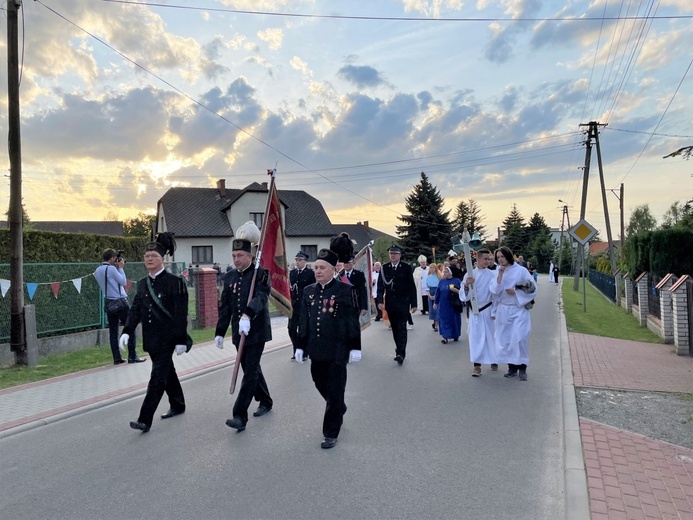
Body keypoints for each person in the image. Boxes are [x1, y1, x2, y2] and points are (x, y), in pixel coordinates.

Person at [122, 233, 189, 433]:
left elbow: (180, 314)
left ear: (162, 259)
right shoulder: (143, 284)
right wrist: (126, 331)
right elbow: (136, 310)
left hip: (168, 340)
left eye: (153, 256)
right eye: (147, 256)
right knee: (167, 372)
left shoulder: (174, 282)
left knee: (157, 377)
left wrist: (181, 340)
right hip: (151, 339)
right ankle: (178, 404)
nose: (149, 259)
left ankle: (145, 419)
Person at [295, 248, 361, 449]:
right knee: (319, 381)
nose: (318, 271)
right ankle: (338, 406)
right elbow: (304, 320)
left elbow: (352, 320)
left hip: (337, 349)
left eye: (322, 268)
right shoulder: (308, 291)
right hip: (317, 349)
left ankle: (330, 432)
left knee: (335, 389)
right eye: (316, 268)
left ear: (333, 269)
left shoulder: (344, 290)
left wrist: (355, 347)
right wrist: (300, 346)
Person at [215, 227, 273, 432]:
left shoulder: (262, 274)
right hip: (238, 333)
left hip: (256, 330)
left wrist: (248, 314)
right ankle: (266, 400)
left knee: (249, 372)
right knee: (251, 369)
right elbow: (225, 307)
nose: (236, 259)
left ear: (250, 255)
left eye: (240, 255)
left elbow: (261, 297)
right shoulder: (229, 278)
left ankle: (240, 415)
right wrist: (219, 332)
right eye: (233, 255)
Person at [490, 246, 537, 381]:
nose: (500, 259)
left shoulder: (521, 270)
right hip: (503, 310)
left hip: (519, 308)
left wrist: (516, 292)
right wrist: (499, 275)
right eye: (498, 257)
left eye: (502, 256)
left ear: (508, 256)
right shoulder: (497, 272)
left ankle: (522, 368)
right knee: (507, 340)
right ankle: (512, 367)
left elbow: (532, 288)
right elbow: (494, 291)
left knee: (520, 338)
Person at [94, 248, 145, 365]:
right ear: (112, 258)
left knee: (113, 331)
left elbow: (109, 282)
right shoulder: (111, 269)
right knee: (130, 328)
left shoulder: (98, 270)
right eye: (115, 258)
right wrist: (121, 268)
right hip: (120, 302)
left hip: (108, 302)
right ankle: (132, 356)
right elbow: (123, 282)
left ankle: (117, 358)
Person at [457, 249, 497, 376]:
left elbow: (495, 294)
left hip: (488, 308)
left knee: (491, 337)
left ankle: (493, 359)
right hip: (475, 310)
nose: (487, 261)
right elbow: (464, 296)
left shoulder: (492, 274)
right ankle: (477, 365)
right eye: (485, 259)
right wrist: (466, 285)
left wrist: (494, 311)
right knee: (475, 338)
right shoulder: (470, 274)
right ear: (478, 259)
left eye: (489, 259)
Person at [377, 245, 418, 365]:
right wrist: (379, 301)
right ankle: (398, 348)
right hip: (390, 303)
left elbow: (411, 286)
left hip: (403, 303)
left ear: (400, 255)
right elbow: (380, 286)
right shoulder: (384, 268)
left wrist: (414, 303)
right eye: (391, 253)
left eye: (395, 253)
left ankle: (401, 353)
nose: (392, 255)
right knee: (395, 328)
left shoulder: (405, 267)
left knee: (402, 328)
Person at [288, 251, 316, 360]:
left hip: (305, 305)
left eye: (300, 260)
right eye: (296, 260)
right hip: (294, 305)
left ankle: (304, 352)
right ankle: (296, 349)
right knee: (291, 328)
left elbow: (313, 288)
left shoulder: (310, 273)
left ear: (305, 261)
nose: (298, 262)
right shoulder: (293, 273)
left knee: (303, 329)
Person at [434, 267, 462, 344]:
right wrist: (436, 302)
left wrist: (456, 290)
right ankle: (445, 336)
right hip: (443, 304)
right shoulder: (442, 282)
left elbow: (462, 291)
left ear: (451, 272)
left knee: (454, 319)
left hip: (453, 304)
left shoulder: (457, 281)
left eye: (446, 272)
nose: (444, 273)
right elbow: (438, 292)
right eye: (444, 272)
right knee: (443, 320)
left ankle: (455, 335)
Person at [424, 264, 442, 332]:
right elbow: (427, 287)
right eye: (430, 268)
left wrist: (436, 295)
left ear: (435, 269)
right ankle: (435, 322)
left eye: (433, 268)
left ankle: (437, 325)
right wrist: (429, 295)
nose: (431, 269)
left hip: (437, 293)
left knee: (437, 309)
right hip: (431, 293)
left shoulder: (439, 277)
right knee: (433, 310)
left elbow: (440, 287)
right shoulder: (428, 277)